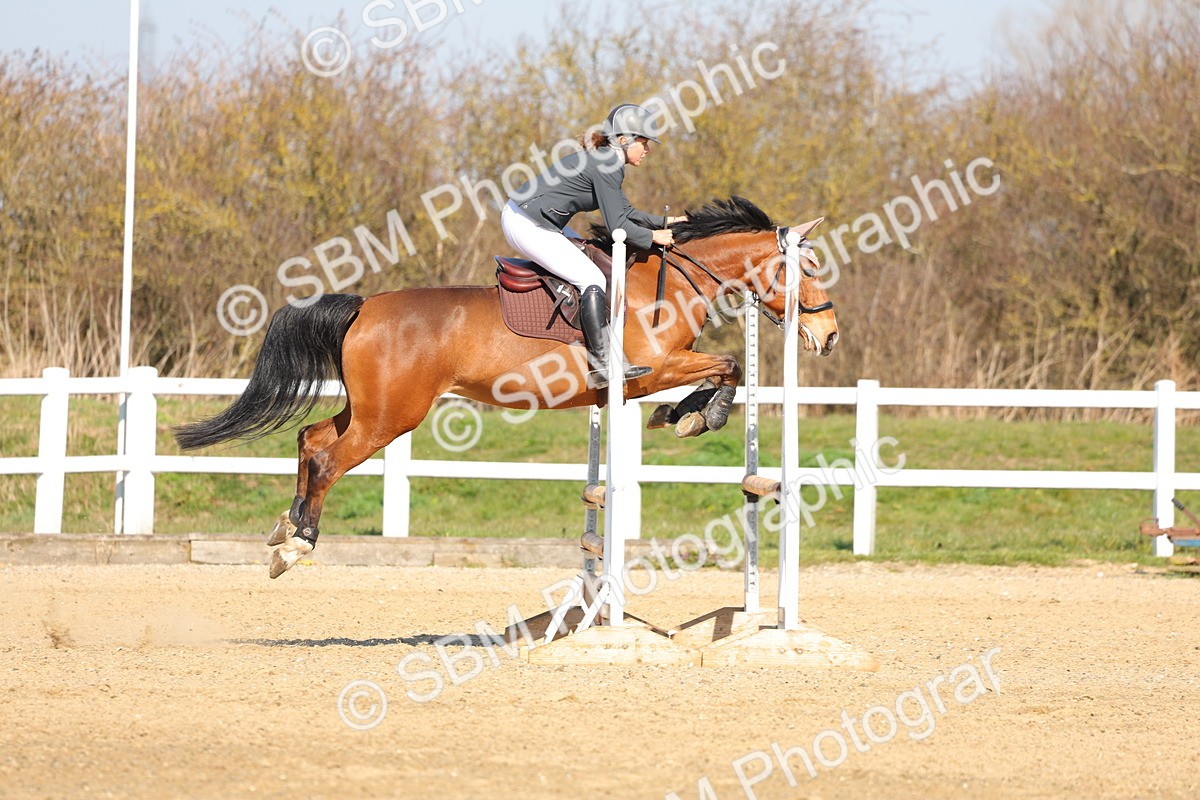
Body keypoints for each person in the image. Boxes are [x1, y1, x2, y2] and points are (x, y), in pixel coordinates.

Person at [502, 103, 685, 388]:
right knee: (592, 278)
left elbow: (626, 210)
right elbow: (618, 227)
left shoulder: (607, 161)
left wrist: (665, 221)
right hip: (525, 222)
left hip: (539, 218)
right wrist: (651, 238)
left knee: (594, 262)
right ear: (624, 140)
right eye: (644, 143)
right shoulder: (607, 165)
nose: (647, 150)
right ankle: (602, 366)